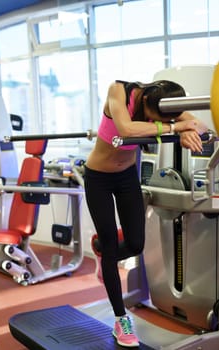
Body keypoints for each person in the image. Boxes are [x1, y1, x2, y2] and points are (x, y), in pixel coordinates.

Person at [84, 79, 208, 347]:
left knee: (135, 244)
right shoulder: (119, 91)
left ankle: (104, 254)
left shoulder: (165, 103)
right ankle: (121, 320)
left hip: (127, 177)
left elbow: (200, 125)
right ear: (145, 103)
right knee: (109, 243)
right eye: (159, 118)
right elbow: (126, 129)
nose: (164, 121)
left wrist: (188, 132)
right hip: (99, 179)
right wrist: (176, 128)